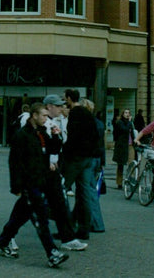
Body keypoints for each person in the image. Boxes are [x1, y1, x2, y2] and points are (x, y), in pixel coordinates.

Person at [0, 102, 69, 268]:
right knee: (41, 218)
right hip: (29, 183)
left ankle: (3, 240)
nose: (46, 118)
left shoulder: (42, 133)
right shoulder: (22, 136)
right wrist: (16, 187)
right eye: (43, 115)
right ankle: (52, 253)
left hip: (41, 181)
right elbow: (14, 162)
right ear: (34, 116)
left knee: (20, 215)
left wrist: (56, 136)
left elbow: (52, 150)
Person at [42, 94, 87, 251]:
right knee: (28, 207)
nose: (62, 108)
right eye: (58, 106)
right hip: (45, 169)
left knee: (60, 203)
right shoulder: (44, 123)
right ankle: (6, 238)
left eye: (62, 105)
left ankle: (67, 238)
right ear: (49, 107)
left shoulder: (55, 122)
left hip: (54, 168)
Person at [61, 89, 98, 239]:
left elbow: (73, 137)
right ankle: (84, 229)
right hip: (88, 157)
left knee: (61, 188)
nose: (65, 102)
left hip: (76, 157)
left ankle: (65, 227)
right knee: (84, 193)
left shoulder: (75, 114)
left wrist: (65, 153)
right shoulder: (88, 114)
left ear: (69, 98)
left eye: (65, 99)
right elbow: (95, 135)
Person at [80, 99, 105, 233]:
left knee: (89, 191)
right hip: (96, 158)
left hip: (88, 158)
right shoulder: (98, 123)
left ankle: (96, 222)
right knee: (88, 190)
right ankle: (85, 220)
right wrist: (102, 162)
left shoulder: (87, 124)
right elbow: (101, 145)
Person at [112, 109, 135, 189]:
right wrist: (129, 122)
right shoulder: (120, 122)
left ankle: (131, 181)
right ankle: (119, 182)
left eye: (128, 113)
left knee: (132, 164)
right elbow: (124, 129)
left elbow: (132, 132)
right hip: (122, 146)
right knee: (120, 164)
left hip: (130, 145)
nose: (127, 114)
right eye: (125, 112)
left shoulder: (130, 123)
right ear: (122, 114)